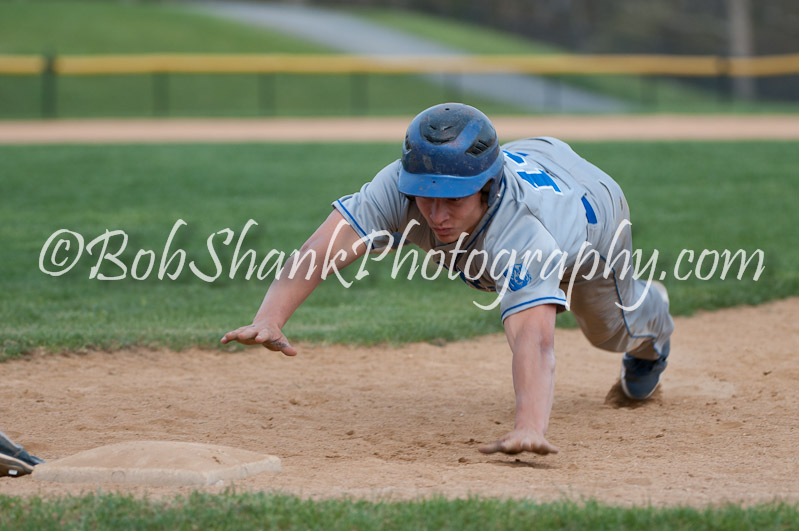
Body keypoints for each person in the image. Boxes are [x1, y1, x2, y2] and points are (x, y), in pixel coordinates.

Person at [221, 103, 674, 456]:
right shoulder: (402, 185)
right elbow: (324, 248)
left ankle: (653, 330)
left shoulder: (524, 233)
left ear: (486, 187)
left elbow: (533, 340)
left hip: (590, 208)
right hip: (533, 155)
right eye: (425, 196)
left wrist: (529, 426)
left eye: (452, 200)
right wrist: (270, 317)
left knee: (609, 331)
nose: (435, 215)